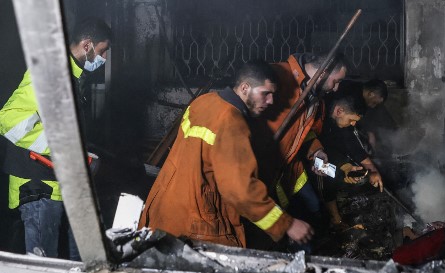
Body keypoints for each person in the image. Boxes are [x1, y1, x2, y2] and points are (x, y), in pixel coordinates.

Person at [139, 60, 313, 248]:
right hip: (196, 224)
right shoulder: (232, 122)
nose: (270, 101)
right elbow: (240, 190)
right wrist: (286, 224)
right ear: (245, 88)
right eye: (266, 93)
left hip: (164, 209)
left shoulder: (203, 102)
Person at [0, 18, 113, 260]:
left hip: (53, 185)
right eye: (103, 51)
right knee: (43, 270)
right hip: (37, 187)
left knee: (57, 265)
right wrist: (67, 150)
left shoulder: (71, 76)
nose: (104, 58)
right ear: (87, 45)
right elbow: (9, 120)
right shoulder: (52, 75)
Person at [262, 52, 349, 221]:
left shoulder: (314, 97)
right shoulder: (278, 76)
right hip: (262, 170)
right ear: (323, 72)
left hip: (288, 169)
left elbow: (302, 130)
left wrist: (316, 152)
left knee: (311, 210)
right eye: (336, 81)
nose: (336, 87)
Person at [316, 90, 383, 228]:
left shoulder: (343, 124)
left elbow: (355, 149)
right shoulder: (318, 118)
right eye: (351, 120)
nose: (353, 124)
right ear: (339, 111)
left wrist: (373, 170)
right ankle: (334, 220)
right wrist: (342, 167)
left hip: (325, 161)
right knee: (325, 181)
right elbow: (318, 160)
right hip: (307, 165)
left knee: (340, 173)